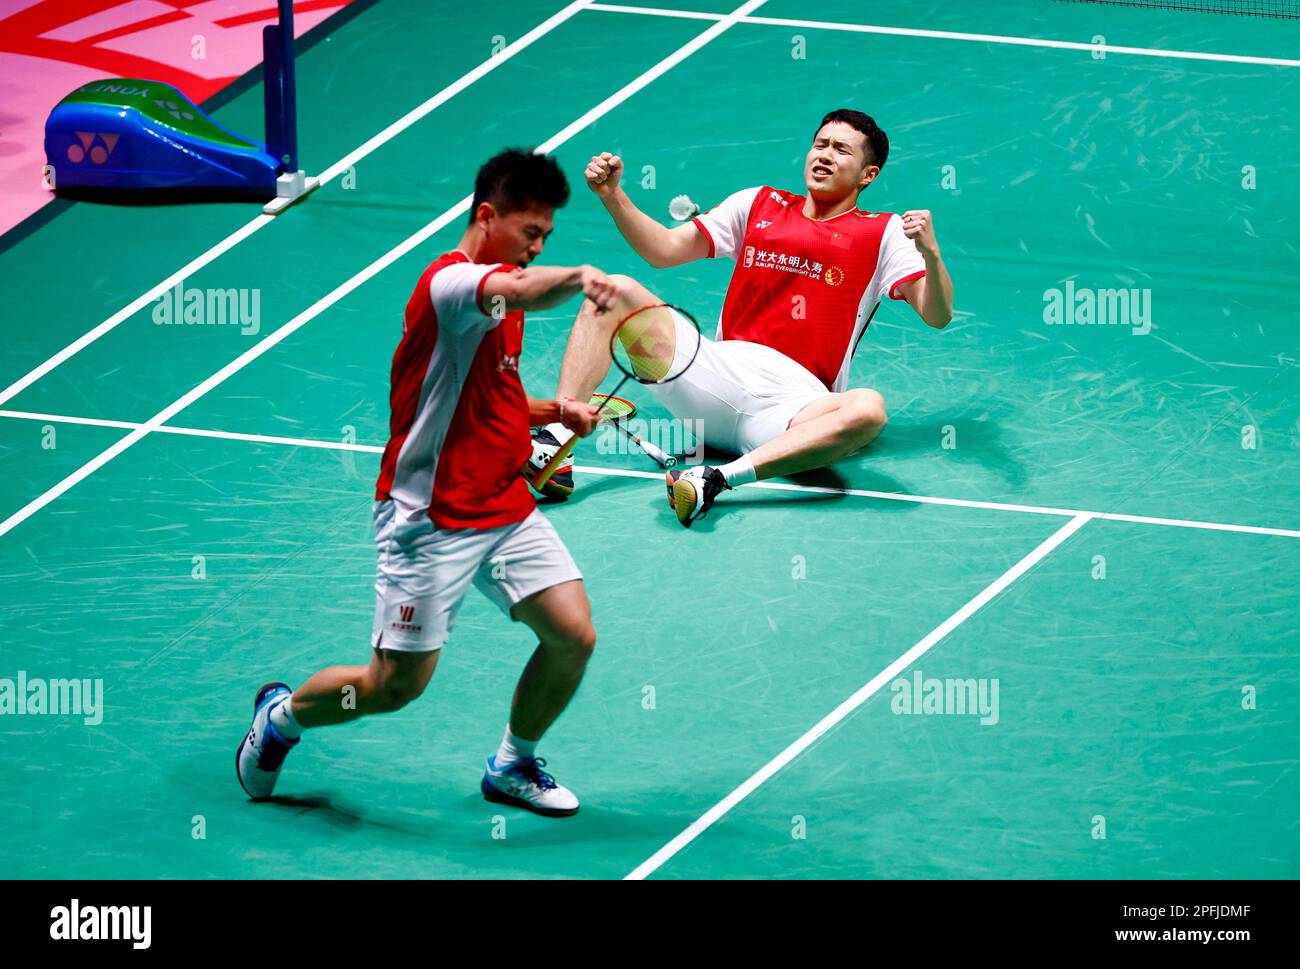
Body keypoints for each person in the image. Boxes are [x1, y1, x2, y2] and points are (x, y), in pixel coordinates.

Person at [237, 148, 618, 817]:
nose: (536, 247)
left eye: (547, 239)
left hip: (501, 504)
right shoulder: (452, 285)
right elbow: (529, 289)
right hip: (429, 517)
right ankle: (282, 717)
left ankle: (513, 763)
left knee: (572, 634)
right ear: (486, 217)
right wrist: (581, 276)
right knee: (392, 686)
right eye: (530, 233)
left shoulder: (502, 297)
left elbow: (491, 391)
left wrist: (560, 411)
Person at [527, 109, 954, 526]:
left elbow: (936, 315)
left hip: (791, 409)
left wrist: (931, 254)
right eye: (819, 144)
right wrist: (613, 197)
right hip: (714, 377)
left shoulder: (884, 232)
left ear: (868, 175)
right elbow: (664, 251)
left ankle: (713, 479)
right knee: (613, 288)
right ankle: (556, 441)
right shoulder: (758, 203)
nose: (824, 154)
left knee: (870, 408)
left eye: (841, 150)